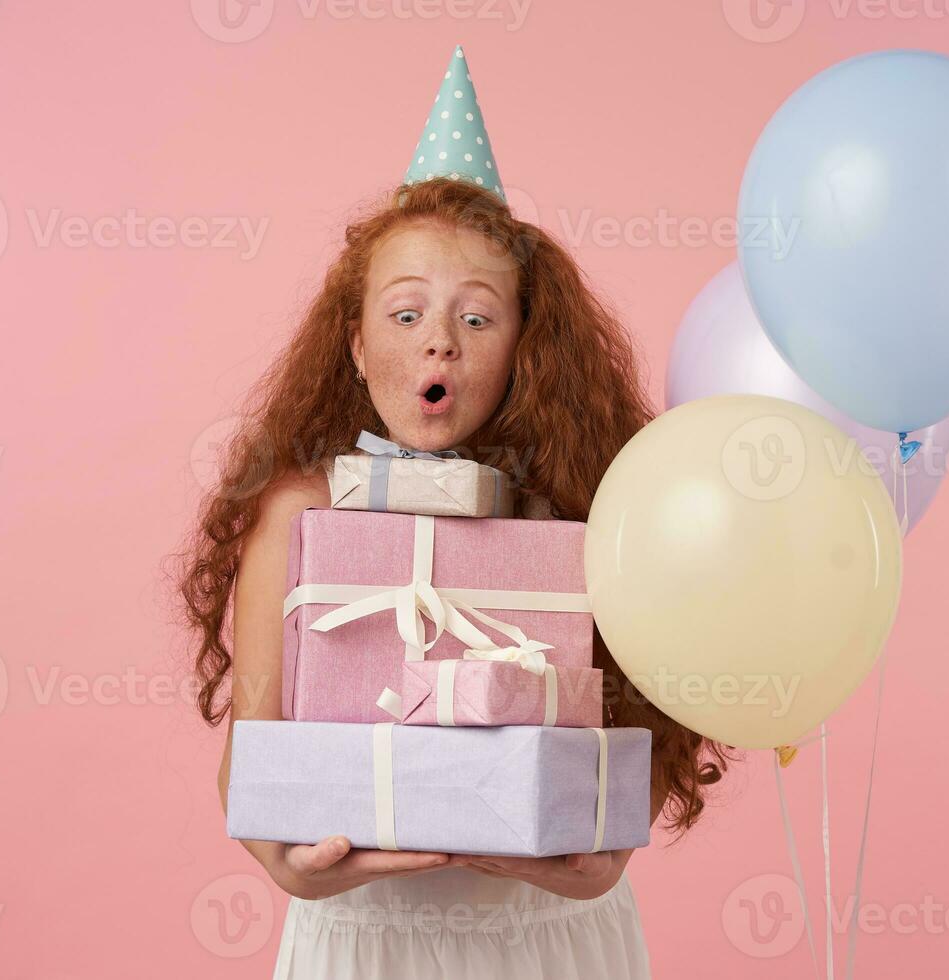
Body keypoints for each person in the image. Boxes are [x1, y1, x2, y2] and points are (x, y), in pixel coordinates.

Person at [176, 48, 732, 979]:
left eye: (477, 318)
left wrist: (587, 869)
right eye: (405, 314)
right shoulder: (298, 513)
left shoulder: (577, 516)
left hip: (546, 942)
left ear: (525, 347)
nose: (439, 336)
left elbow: (606, 797)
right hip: (364, 937)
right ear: (354, 345)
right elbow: (253, 767)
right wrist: (297, 872)